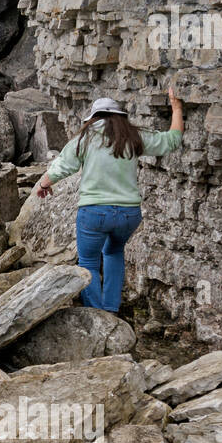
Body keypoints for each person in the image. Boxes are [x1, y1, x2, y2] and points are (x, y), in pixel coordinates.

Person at [34, 86, 184, 312]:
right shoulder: (134, 136)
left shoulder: (86, 137)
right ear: (119, 117)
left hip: (95, 213)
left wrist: (44, 184)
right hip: (129, 215)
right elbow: (172, 140)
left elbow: (62, 167)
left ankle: (96, 314)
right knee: (113, 252)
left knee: (89, 262)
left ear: (93, 118)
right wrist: (177, 107)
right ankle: (111, 309)